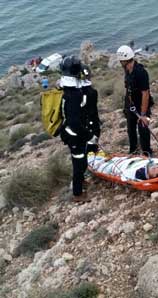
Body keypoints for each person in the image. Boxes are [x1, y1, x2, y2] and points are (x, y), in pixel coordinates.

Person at [59, 55, 93, 204]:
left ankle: (81, 183)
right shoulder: (73, 95)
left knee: (79, 159)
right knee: (79, 162)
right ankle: (77, 194)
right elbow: (74, 122)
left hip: (71, 133)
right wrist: (88, 134)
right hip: (74, 135)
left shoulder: (67, 90)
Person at [116, 45, 153, 156]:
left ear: (125, 60)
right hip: (131, 105)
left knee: (143, 128)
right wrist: (126, 106)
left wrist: (142, 114)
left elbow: (145, 94)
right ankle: (133, 151)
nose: (120, 63)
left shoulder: (141, 72)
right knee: (130, 129)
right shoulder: (128, 71)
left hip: (141, 105)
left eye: (121, 60)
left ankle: (147, 152)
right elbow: (129, 89)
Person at [87, 151, 158, 181]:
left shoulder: (137, 173)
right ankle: (98, 155)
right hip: (129, 161)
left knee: (98, 165)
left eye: (153, 169)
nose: (155, 166)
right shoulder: (156, 164)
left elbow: (124, 175)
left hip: (121, 166)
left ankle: (91, 157)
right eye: (156, 167)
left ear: (148, 175)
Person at [81, 65, 101, 153]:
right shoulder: (92, 92)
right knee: (91, 146)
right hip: (91, 123)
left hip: (82, 124)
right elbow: (92, 110)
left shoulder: (75, 92)